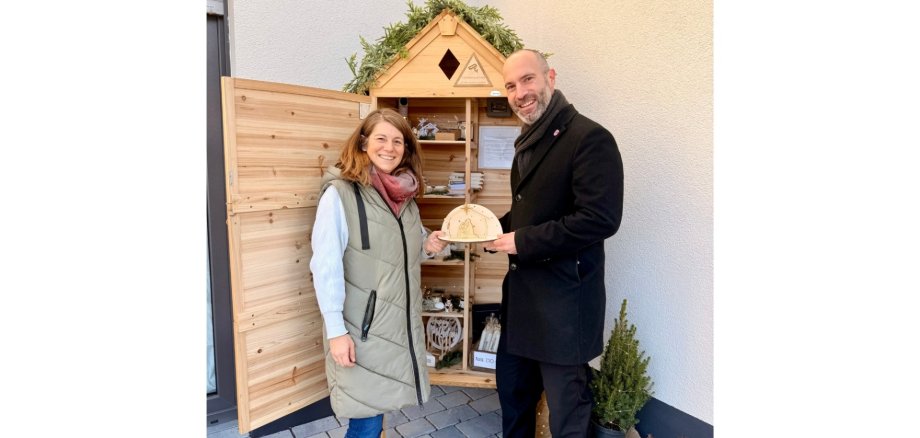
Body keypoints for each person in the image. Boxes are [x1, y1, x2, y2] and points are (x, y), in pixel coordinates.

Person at [482, 49, 624, 437]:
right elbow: (527, 213)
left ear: (551, 78)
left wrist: (522, 241)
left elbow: (600, 219)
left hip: (564, 309)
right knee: (513, 397)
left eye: (528, 79)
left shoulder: (589, 138)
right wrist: (479, 228)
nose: (520, 92)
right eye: (511, 86)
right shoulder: (527, 144)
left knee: (567, 414)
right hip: (522, 306)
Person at [310, 108, 448, 437]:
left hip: (395, 325)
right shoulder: (340, 195)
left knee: (376, 411)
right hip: (362, 330)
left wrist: (427, 246)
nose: (389, 147)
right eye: (381, 139)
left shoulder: (405, 198)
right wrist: (335, 332)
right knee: (366, 419)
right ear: (363, 143)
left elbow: (398, 254)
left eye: (398, 141)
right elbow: (324, 265)